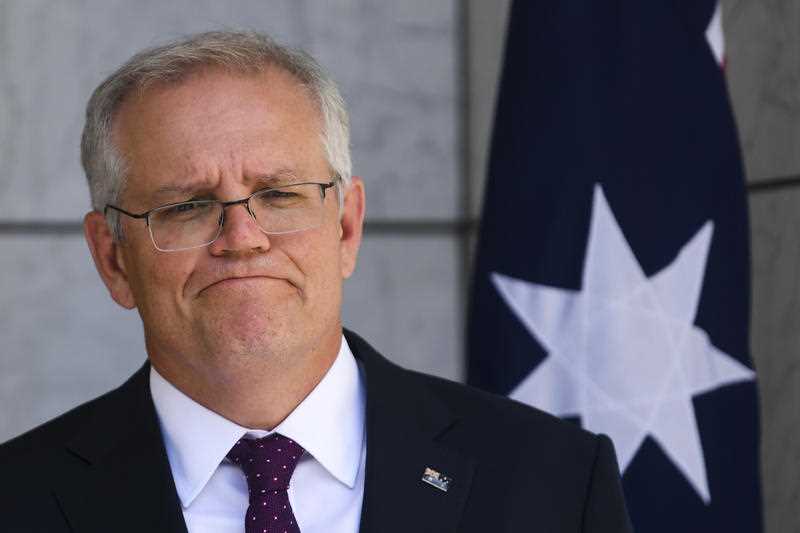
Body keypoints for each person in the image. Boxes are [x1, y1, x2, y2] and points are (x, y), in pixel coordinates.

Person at [0, 31, 632, 532]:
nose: (241, 237)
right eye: (187, 206)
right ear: (113, 259)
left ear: (347, 227)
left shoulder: (552, 483)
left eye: (277, 194)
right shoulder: (18, 500)